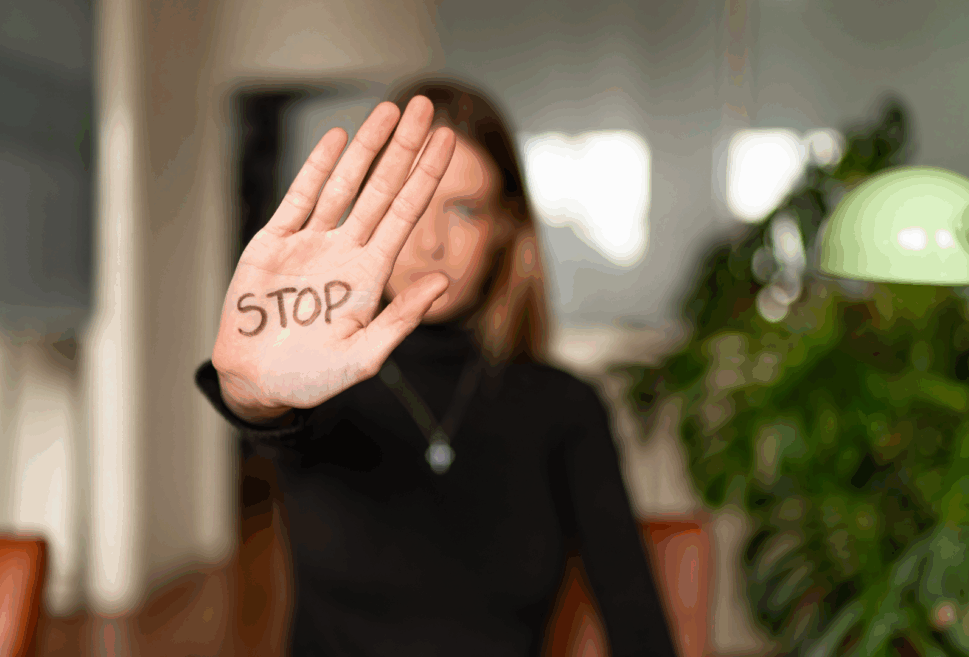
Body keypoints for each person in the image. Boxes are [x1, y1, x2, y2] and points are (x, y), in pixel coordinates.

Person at [196, 76, 678, 656]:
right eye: (410, 207)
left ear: (505, 226)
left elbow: (635, 615)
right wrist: (251, 390)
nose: (429, 242)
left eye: (464, 209)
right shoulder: (322, 386)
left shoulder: (566, 408)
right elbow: (267, 410)